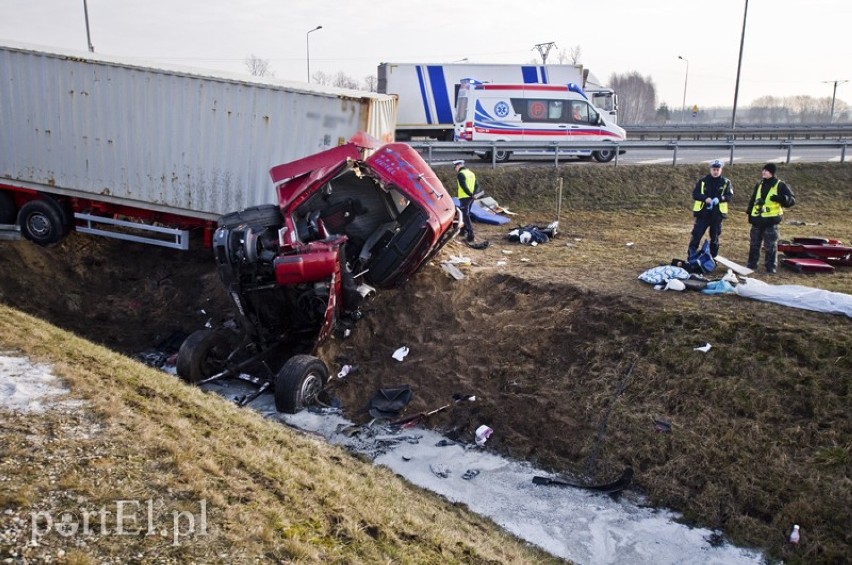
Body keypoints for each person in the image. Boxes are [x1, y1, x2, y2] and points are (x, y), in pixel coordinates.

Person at [745, 163, 795, 273]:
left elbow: (791, 200)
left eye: (766, 171)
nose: (763, 172)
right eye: (763, 170)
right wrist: (749, 214)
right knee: (754, 244)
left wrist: (781, 199)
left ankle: (770, 267)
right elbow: (753, 200)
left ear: (772, 173)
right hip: (757, 220)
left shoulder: (780, 185)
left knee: (770, 246)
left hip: (771, 221)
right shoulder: (759, 184)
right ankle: (751, 265)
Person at [688, 159, 733, 259]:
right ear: (710, 170)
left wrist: (720, 198)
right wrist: (705, 199)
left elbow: (729, 196)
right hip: (703, 214)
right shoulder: (703, 181)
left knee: (714, 238)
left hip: (717, 216)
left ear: (721, 170)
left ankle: (713, 258)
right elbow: (695, 194)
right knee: (696, 236)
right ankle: (691, 257)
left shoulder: (726, 182)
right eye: (714, 169)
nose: (715, 171)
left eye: (717, 169)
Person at [454, 159, 477, 242]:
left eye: (455, 167)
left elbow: (463, 186)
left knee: (465, 215)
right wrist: (473, 194)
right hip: (471, 198)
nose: (455, 169)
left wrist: (470, 194)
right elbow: (476, 185)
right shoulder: (471, 173)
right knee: (465, 214)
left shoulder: (461, 174)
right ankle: (462, 232)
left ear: (459, 165)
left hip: (464, 197)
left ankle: (471, 235)